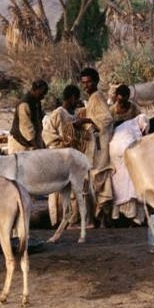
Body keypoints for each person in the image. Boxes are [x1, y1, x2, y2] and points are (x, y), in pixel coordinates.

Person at [76, 67, 115, 224]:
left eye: (89, 82)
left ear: (96, 81)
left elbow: (106, 119)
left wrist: (86, 120)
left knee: (99, 176)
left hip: (100, 145)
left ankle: (103, 217)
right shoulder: (92, 98)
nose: (86, 85)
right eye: (83, 83)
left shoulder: (97, 96)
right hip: (94, 143)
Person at [42, 84, 84, 224]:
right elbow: (48, 134)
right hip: (57, 155)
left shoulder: (73, 114)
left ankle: (70, 218)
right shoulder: (58, 113)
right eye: (76, 98)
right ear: (72, 98)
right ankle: (57, 219)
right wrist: (63, 141)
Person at [8, 79, 48, 154]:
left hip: (30, 144)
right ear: (36, 90)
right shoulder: (24, 104)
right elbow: (26, 128)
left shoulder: (36, 102)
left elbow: (40, 118)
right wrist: (36, 146)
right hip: (20, 144)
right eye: (42, 94)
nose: (43, 97)